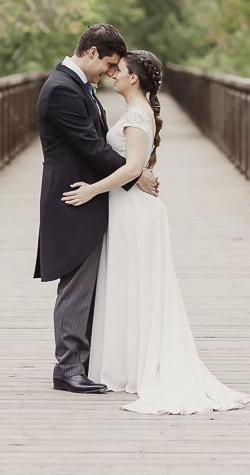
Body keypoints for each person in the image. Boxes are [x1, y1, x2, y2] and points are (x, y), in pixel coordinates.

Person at [62, 50, 250, 414]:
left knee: (135, 286)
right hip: (127, 210)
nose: (112, 74)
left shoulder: (136, 116)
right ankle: (125, 362)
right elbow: (136, 167)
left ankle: (135, 366)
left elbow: (133, 168)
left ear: (133, 77)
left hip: (132, 213)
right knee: (128, 286)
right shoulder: (136, 113)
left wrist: (91, 189)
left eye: (118, 70)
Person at [34, 24, 160, 394]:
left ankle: (83, 361)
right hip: (75, 197)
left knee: (88, 283)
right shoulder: (61, 90)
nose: (109, 72)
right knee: (76, 283)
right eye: (108, 63)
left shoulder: (76, 86)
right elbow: (91, 147)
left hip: (90, 195)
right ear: (90, 52)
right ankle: (68, 367)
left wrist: (134, 170)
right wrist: (135, 176)